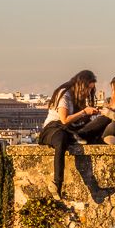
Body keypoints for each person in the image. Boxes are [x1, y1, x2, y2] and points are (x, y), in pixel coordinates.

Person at [38, 70, 99, 198]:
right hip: (53, 129)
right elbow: (64, 119)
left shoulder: (77, 98)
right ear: (81, 86)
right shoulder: (65, 94)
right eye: (88, 89)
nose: (88, 93)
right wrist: (84, 112)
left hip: (68, 130)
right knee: (61, 140)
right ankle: (57, 182)